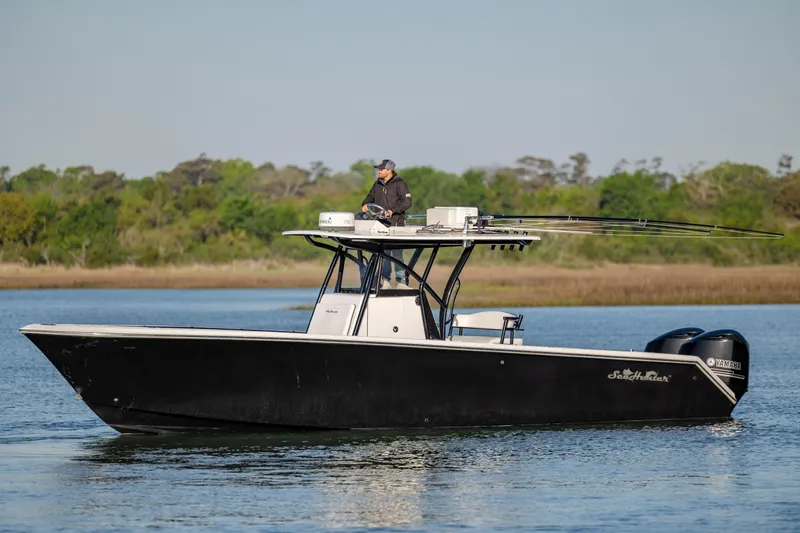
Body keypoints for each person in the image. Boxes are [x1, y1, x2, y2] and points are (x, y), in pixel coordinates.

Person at [361, 159, 412, 287]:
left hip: (396, 224)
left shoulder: (400, 184)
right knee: (384, 254)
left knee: (397, 254)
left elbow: (407, 202)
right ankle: (385, 281)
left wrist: (392, 211)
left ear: (389, 170)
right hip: (380, 225)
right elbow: (369, 197)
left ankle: (401, 281)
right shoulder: (377, 184)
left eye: (381, 169)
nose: (378, 171)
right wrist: (365, 204)